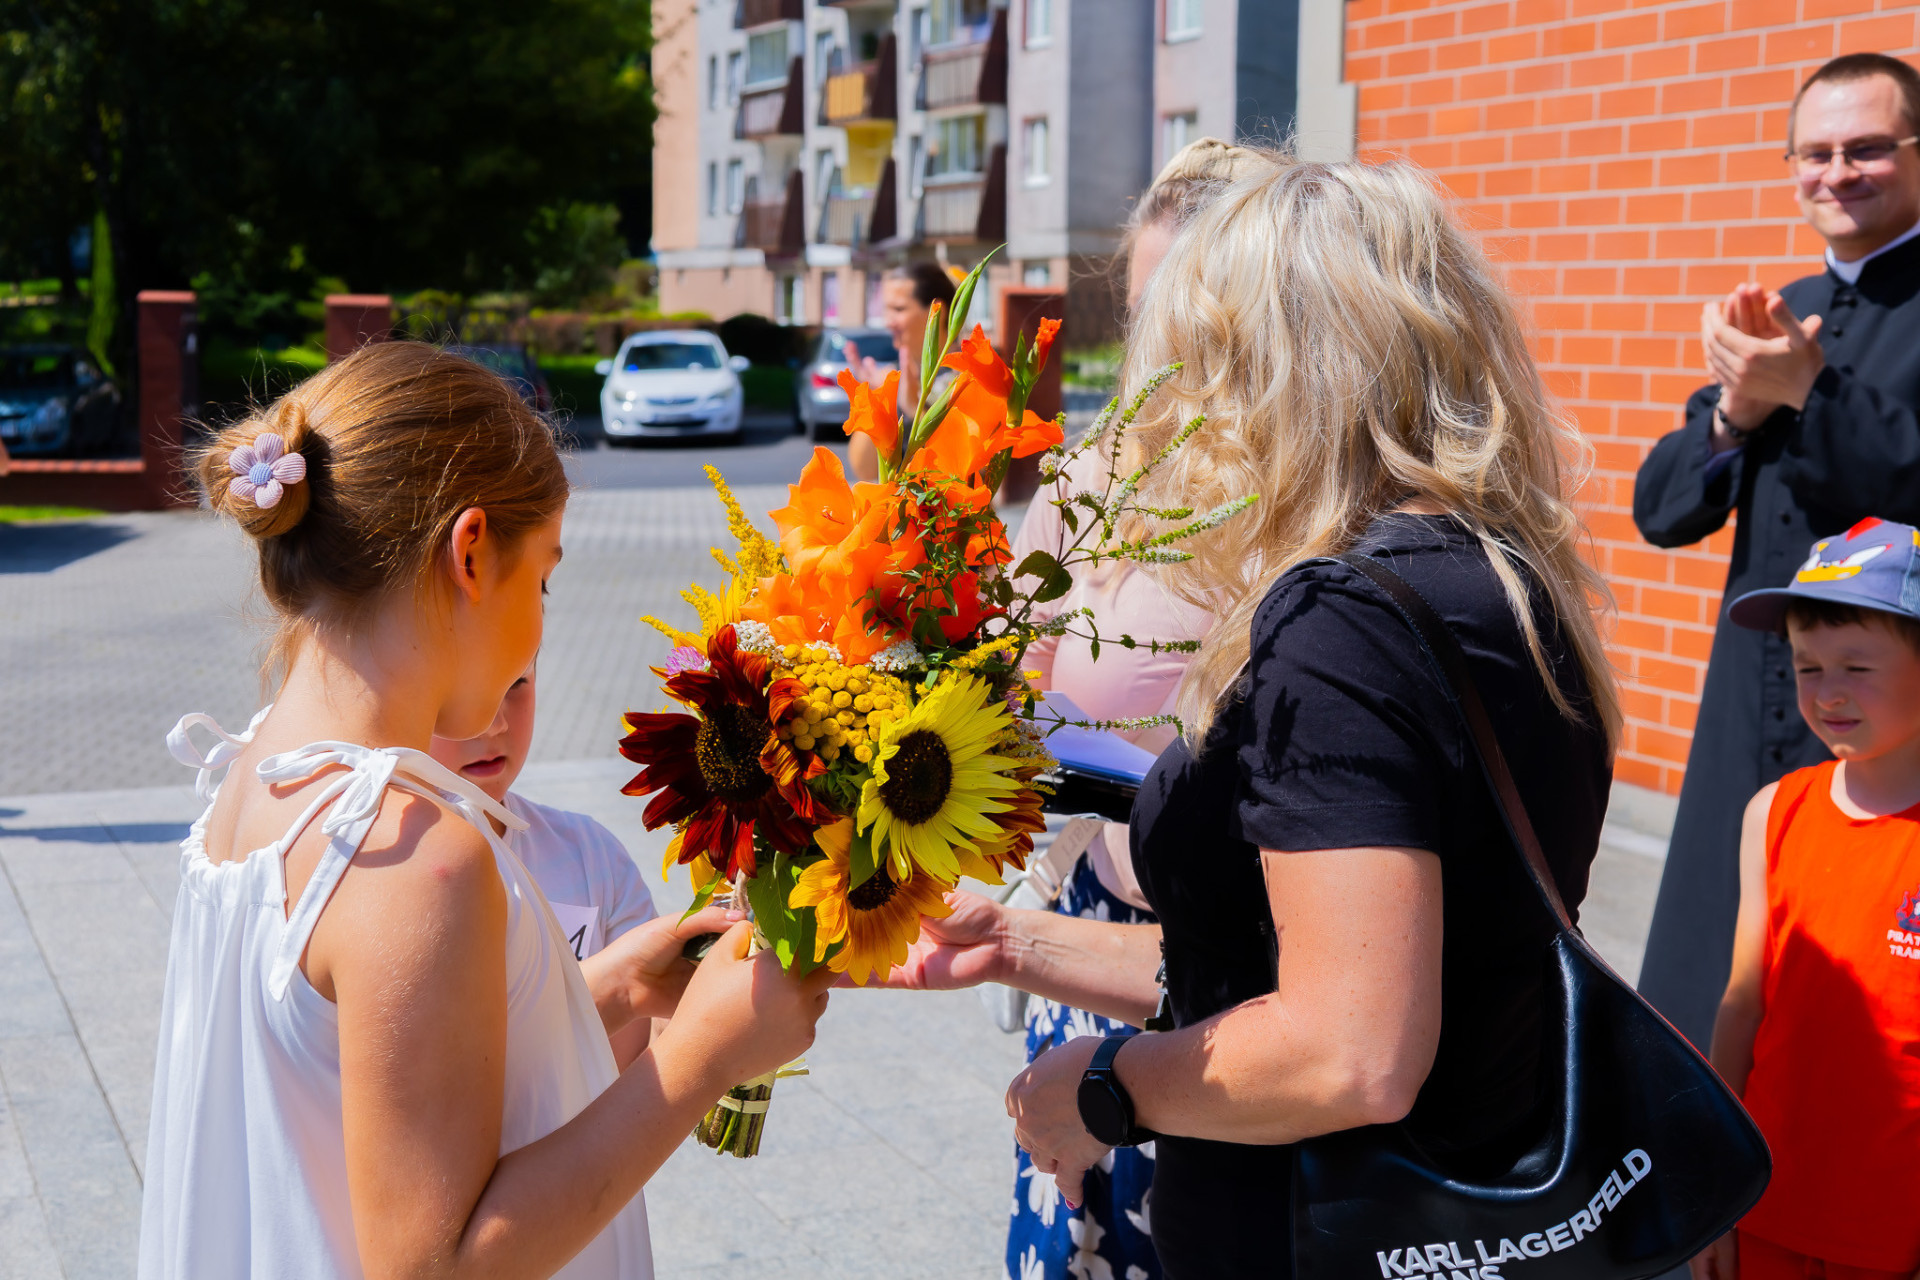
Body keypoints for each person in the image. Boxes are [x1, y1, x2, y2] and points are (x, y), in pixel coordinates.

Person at [889, 159, 1619, 1277]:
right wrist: (1020, 942)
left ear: (1275, 365)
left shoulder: (1339, 621)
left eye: (1193, 358)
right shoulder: (1495, 577)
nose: (1173, 409)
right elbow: (1314, 958)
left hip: (1309, 1231)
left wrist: (1106, 1085)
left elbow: (1350, 1048)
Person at [140, 341, 832, 1279]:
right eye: (542, 577)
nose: (541, 618)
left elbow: (347, 1069)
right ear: (470, 554)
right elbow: (439, 1263)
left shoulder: (256, 773)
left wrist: (609, 990)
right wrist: (701, 1059)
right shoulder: (413, 855)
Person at [999, 135, 1265, 1280]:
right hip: (1097, 951)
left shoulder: (1306, 500)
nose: (1164, 343)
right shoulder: (1083, 482)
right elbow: (1012, 697)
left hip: (1255, 987)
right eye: (1148, 306)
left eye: (1193, 307)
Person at [1635, 52, 1920, 1050]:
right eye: (1815, 152)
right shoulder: (1785, 307)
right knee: (1712, 977)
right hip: (1752, 684)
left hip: (1892, 712)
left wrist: (1811, 390)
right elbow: (1662, 510)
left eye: (1867, 148)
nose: (1836, 172)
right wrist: (1733, 412)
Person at [1691, 518, 1920, 1280]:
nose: (1828, 692)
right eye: (1808, 666)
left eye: (1857, 666)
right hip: (1768, 1206)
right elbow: (1742, 1005)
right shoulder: (1772, 813)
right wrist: (1716, 1186)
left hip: (1894, 1232)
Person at [429, 661, 660, 1069]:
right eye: (456, 690)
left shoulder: (592, 854)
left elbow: (638, 1062)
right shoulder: (363, 878)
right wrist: (615, 988)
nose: (494, 724)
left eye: (515, 682)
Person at [845, 261, 957, 482]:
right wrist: (875, 400)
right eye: (886, 310)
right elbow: (864, 470)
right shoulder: (893, 378)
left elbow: (964, 469)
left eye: (898, 309)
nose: (888, 322)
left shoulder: (966, 378)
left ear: (937, 311)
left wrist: (915, 409)